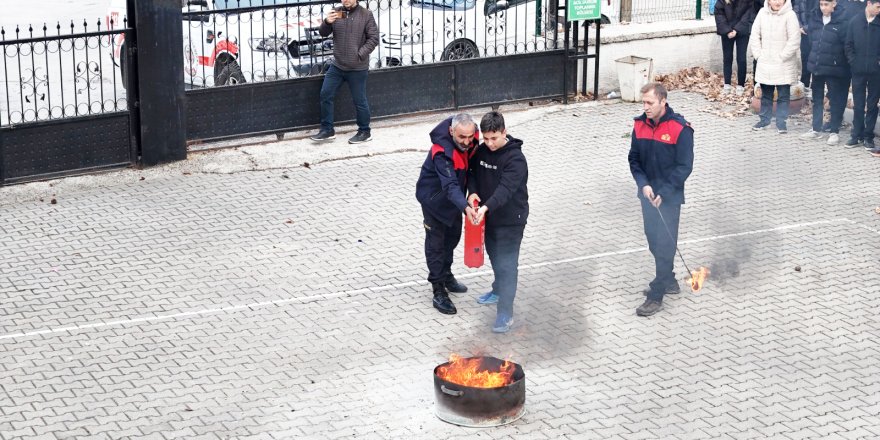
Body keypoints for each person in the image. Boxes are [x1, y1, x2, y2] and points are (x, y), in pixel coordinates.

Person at [628, 83, 694, 317]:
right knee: (653, 241)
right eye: (643, 102)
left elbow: (685, 166)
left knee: (665, 244)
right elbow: (634, 159)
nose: (645, 107)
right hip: (647, 195)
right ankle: (670, 280)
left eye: (649, 103)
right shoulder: (638, 125)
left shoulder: (680, 129)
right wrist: (643, 184)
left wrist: (664, 192)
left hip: (669, 197)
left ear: (663, 101)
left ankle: (656, 295)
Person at [466, 111, 529, 333]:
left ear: (504, 132)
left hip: (511, 220)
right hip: (489, 218)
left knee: (508, 264)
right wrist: (472, 192)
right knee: (494, 255)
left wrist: (484, 207)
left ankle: (505, 313)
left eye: (494, 138)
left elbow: (505, 190)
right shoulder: (481, 151)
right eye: (486, 138)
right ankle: (498, 289)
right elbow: (471, 172)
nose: (490, 144)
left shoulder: (516, 159)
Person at [415, 114, 480, 315]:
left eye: (470, 136)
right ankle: (438, 289)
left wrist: (472, 193)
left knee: (452, 238)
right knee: (436, 245)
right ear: (451, 132)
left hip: (455, 202)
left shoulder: (472, 139)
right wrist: (466, 207)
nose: (467, 142)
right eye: (462, 137)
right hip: (435, 201)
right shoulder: (441, 152)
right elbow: (450, 185)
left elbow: (472, 171)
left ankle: (447, 275)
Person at [309, 0, 379, 144]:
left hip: (357, 68)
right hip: (338, 65)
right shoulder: (337, 12)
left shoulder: (366, 15)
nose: (345, 0)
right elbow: (323, 33)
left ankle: (365, 131)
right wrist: (327, 22)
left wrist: (359, 55)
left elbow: (374, 38)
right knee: (325, 94)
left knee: (359, 101)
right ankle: (327, 130)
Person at [800, 0, 850, 145]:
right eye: (821, 5)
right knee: (817, 99)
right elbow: (812, 41)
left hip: (834, 68)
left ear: (834, 4)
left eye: (826, 5)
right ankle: (816, 128)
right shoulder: (815, 18)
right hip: (817, 66)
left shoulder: (842, 21)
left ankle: (834, 131)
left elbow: (845, 45)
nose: (823, 8)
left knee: (834, 100)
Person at [749, 0, 802, 134]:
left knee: (783, 95)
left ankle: (781, 122)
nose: (777, 2)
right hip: (765, 61)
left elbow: (794, 39)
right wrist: (758, 54)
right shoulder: (762, 13)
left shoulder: (790, 15)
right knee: (766, 94)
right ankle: (764, 120)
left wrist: (782, 56)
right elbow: (755, 35)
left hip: (783, 63)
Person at [844, 0, 880, 151]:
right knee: (858, 104)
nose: (879, 10)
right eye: (878, 6)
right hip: (858, 70)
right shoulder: (855, 21)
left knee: (872, 105)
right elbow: (848, 44)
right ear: (869, 4)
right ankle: (856, 134)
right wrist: (854, 62)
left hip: (876, 72)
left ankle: (868, 137)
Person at [715, 0, 758, 96]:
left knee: (741, 59)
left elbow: (749, 13)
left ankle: (741, 85)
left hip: (742, 31)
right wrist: (727, 30)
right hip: (727, 32)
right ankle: (727, 84)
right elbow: (719, 15)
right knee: (727, 58)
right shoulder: (722, 1)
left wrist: (737, 29)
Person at [794, 0, 819, 92]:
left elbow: (819, 14)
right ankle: (804, 87)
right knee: (804, 59)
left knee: (816, 58)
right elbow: (795, 11)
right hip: (802, 32)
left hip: (816, 30)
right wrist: (799, 26)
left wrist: (807, 28)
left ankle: (815, 90)